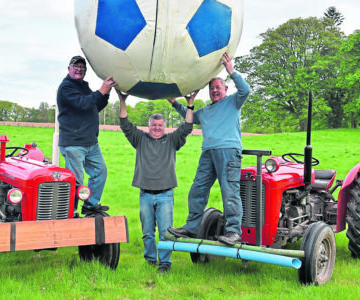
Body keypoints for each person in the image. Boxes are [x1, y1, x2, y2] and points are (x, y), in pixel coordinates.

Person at [167, 52, 251, 245]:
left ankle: (233, 232)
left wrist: (231, 71)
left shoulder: (234, 102)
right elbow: (188, 115)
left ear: (225, 88)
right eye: (211, 88)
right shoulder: (205, 111)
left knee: (229, 192)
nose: (214, 90)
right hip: (208, 153)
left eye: (218, 87)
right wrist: (174, 103)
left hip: (228, 152)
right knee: (197, 190)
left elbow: (245, 90)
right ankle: (192, 227)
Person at [117, 89, 196, 273]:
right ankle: (150, 259)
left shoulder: (172, 140)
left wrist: (189, 104)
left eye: (160, 125)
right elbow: (125, 124)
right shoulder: (140, 139)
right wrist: (122, 100)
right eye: (154, 125)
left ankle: (165, 263)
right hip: (145, 194)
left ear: (165, 126)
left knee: (166, 232)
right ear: (149, 125)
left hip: (165, 195)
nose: (157, 128)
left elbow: (187, 127)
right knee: (147, 233)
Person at [57, 55, 117, 215]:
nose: (79, 69)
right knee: (76, 181)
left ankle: (90, 204)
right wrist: (101, 90)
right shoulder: (66, 88)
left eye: (82, 67)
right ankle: (70, 212)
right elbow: (82, 104)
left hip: (90, 143)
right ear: (69, 68)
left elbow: (94, 105)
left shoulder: (83, 86)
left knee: (100, 171)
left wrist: (106, 93)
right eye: (75, 66)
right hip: (73, 143)